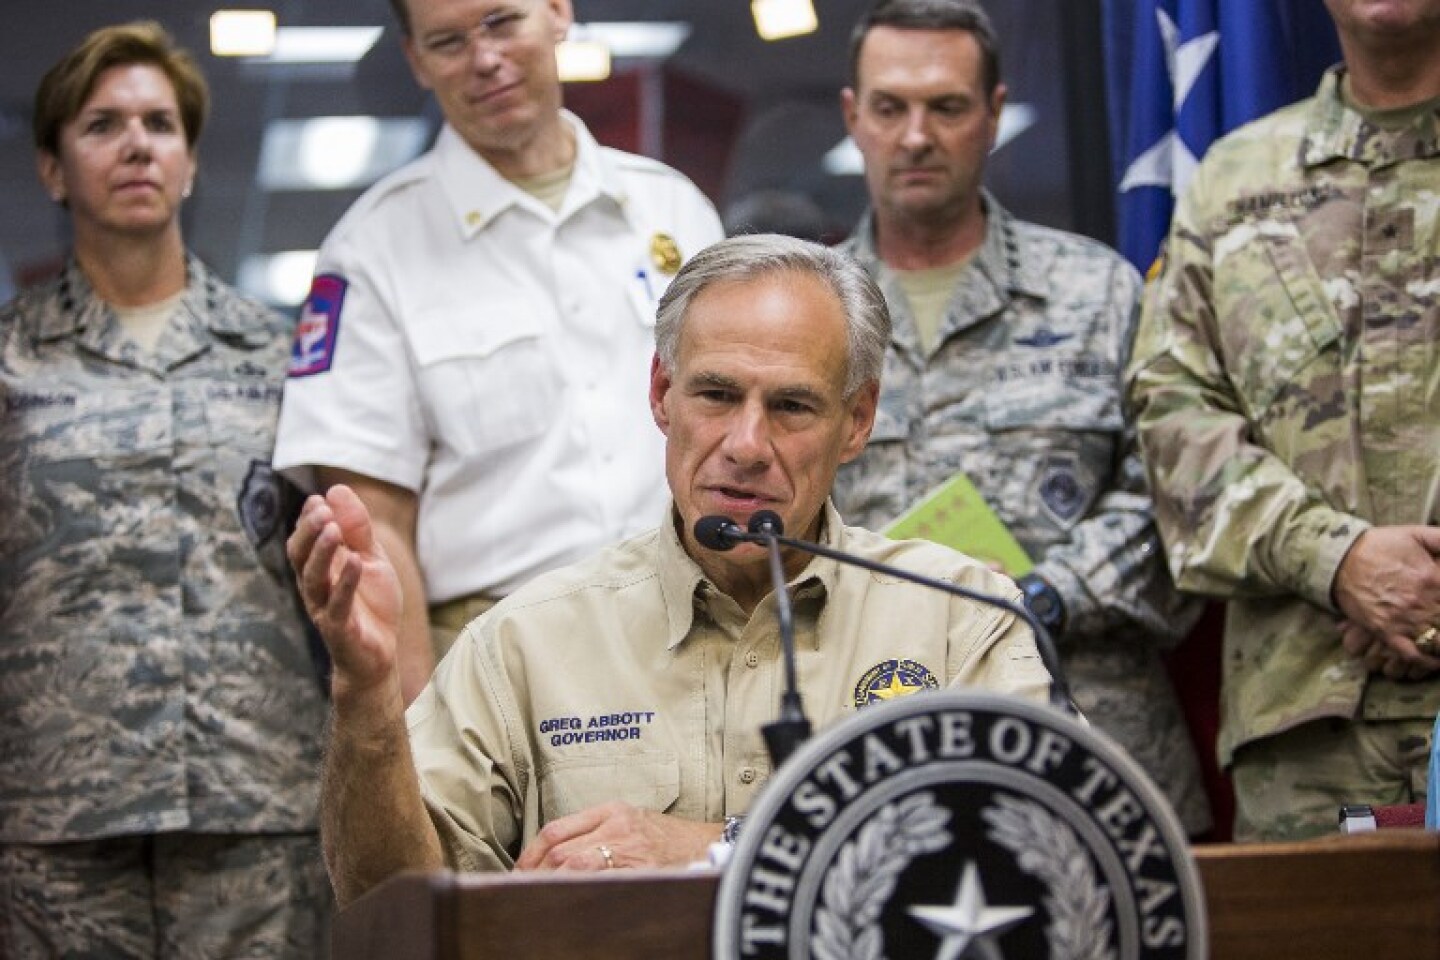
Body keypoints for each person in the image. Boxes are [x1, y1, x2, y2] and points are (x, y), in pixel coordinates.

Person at [287, 234, 1052, 905]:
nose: (746, 444)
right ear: (661, 393)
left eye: (791, 406)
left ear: (856, 421)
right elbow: (387, 896)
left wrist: (718, 848)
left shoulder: (958, 617)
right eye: (716, 395)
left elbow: (1048, 848)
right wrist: (365, 692)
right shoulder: (528, 641)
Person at [830, 0, 1211, 835]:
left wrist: (1043, 594)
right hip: (873, 733)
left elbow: (1175, 489)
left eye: (948, 107)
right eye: (890, 108)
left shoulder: (1098, 289)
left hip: (1093, 725)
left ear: (995, 113)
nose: (917, 136)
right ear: (854, 118)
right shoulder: (808, 310)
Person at [272, 0, 724, 704]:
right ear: (416, 60)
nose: (484, 59)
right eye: (448, 41)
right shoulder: (372, 251)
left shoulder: (673, 212)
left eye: (502, 22)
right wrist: (420, 749)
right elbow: (376, 527)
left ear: (557, 13)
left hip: (701, 636)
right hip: (504, 663)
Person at [0, 22, 329, 957]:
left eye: (159, 123)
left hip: (256, 800)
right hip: (57, 813)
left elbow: (332, 579)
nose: (137, 143)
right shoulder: (10, 360)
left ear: (188, 163)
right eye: (102, 125)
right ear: (54, 170)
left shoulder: (281, 358)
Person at [1127, 0, 1440, 842]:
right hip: (1306, 739)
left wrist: (1422, 594)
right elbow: (1170, 415)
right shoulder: (1232, 182)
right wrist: (1337, 561)